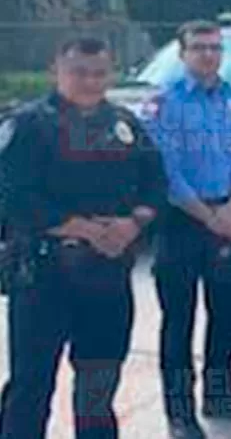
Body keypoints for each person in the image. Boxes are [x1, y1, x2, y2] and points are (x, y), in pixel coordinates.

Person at [0, 37, 166, 439]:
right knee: (31, 386)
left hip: (107, 277)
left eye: (99, 73)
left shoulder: (125, 125)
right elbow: (13, 197)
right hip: (45, 275)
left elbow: (156, 184)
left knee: (98, 387)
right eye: (79, 72)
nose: (90, 82)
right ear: (55, 70)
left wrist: (133, 225)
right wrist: (86, 229)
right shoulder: (27, 125)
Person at [148, 21, 231, 438]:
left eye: (214, 48)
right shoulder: (165, 103)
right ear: (182, 54)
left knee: (228, 312)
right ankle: (180, 412)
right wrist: (209, 216)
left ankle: (220, 393)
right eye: (198, 47)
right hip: (183, 220)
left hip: (228, 216)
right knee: (178, 320)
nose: (208, 55)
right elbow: (167, 171)